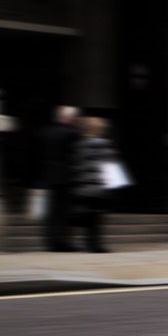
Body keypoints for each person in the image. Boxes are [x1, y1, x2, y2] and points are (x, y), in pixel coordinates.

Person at [72, 116, 121, 253]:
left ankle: (88, 241)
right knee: (97, 218)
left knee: (88, 215)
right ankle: (96, 245)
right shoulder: (104, 144)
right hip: (98, 187)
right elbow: (110, 165)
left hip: (82, 187)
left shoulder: (79, 145)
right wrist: (114, 185)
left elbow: (75, 165)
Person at [41, 105, 80, 251]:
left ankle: (51, 240)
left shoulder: (46, 132)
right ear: (68, 118)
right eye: (75, 117)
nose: (76, 119)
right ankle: (62, 241)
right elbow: (75, 156)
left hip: (50, 176)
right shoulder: (72, 134)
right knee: (64, 211)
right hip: (66, 177)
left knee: (52, 210)